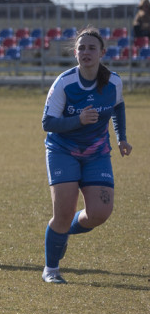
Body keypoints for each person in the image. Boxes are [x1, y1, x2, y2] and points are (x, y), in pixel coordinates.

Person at [40, 27, 131, 284]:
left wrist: (121, 137)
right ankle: (51, 270)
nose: (86, 52)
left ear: (102, 52)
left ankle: (62, 233)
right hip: (62, 151)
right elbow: (48, 123)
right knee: (64, 211)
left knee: (100, 213)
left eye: (92, 48)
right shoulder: (65, 83)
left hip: (96, 153)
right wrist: (78, 120)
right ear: (75, 53)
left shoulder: (113, 81)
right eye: (82, 48)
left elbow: (118, 106)